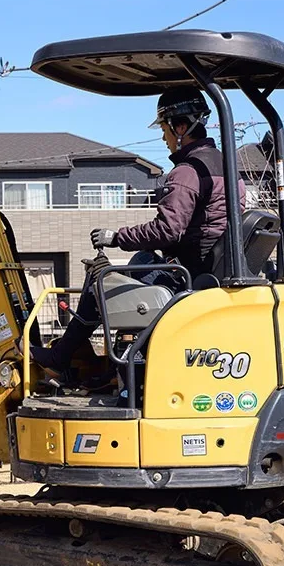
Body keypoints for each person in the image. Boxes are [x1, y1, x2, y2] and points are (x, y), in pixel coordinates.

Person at [28, 86, 244, 377]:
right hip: (208, 270)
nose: (164, 138)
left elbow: (168, 229)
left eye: (166, 129)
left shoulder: (188, 172)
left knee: (101, 279)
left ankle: (63, 356)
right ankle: (114, 366)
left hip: (187, 276)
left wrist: (115, 237)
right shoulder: (227, 168)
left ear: (181, 127)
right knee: (141, 261)